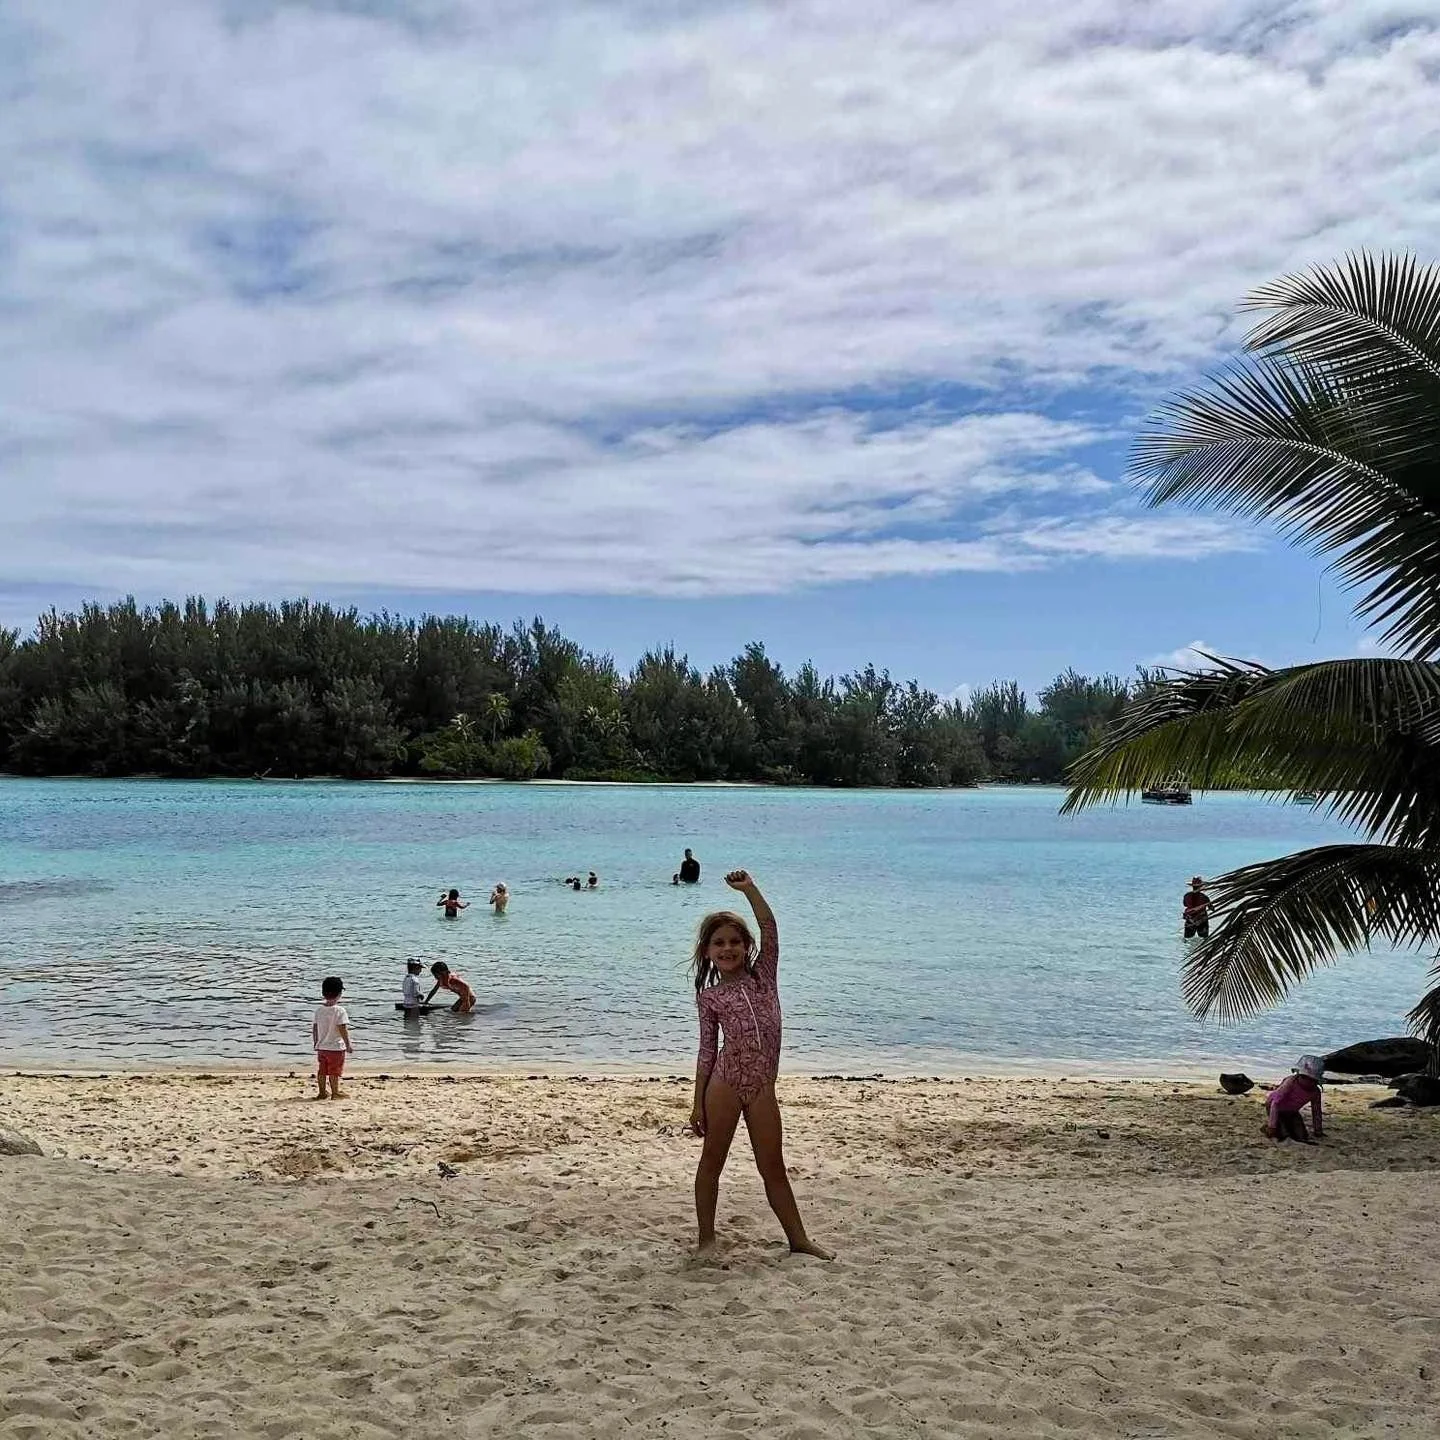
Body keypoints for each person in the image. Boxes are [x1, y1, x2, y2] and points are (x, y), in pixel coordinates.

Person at [689, 869, 831, 1260]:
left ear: (747, 946)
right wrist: (697, 1102)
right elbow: (706, 1052)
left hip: (763, 1087)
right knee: (712, 1161)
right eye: (719, 943)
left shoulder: (764, 977)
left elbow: (770, 926)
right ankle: (706, 1240)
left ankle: (798, 1239)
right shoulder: (710, 998)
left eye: (735, 941)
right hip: (725, 1083)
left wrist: (748, 890)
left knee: (773, 1166)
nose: (728, 948)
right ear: (707, 952)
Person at [1265, 1056, 1325, 1143]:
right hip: (1276, 1107)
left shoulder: (1315, 1092)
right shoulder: (1290, 1082)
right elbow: (1275, 1103)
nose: (1309, 1082)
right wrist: (1272, 1126)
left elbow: (1316, 1111)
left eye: (1313, 1080)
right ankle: (1268, 1126)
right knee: (1283, 1134)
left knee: (1302, 1135)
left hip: (1292, 1111)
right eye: (1305, 1078)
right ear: (1298, 1075)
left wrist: (1318, 1130)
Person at [312, 976, 352, 1100]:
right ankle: (335, 1092)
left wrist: (316, 1042)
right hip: (335, 1048)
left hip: (322, 1047)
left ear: (323, 993)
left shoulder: (319, 1010)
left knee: (322, 1070)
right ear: (340, 994)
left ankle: (322, 1092)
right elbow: (342, 1028)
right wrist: (348, 1044)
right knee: (334, 1071)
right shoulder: (340, 1011)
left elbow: (315, 1028)